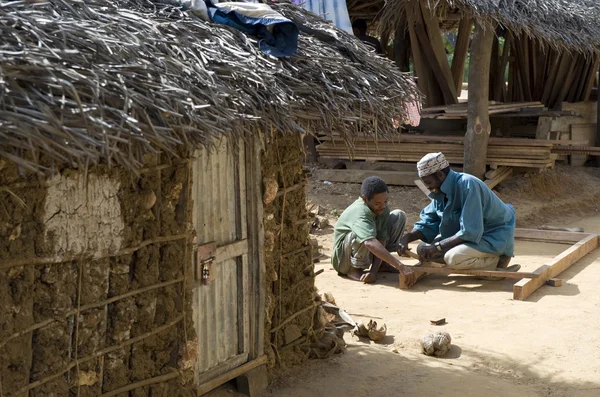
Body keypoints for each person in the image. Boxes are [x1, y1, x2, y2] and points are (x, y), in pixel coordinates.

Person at [398, 153, 520, 277]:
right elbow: (429, 222)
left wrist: (438, 246)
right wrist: (407, 238)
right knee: (422, 250)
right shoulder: (441, 191)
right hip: (470, 237)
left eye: (428, 182)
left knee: (454, 258)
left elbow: (470, 231)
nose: (428, 187)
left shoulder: (468, 185)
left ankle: (497, 261)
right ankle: (479, 259)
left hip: (492, 235)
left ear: (440, 175)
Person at [331, 176, 415, 284]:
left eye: (386, 201)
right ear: (365, 199)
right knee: (363, 234)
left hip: (367, 250)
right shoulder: (360, 213)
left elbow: (382, 239)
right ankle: (354, 270)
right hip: (344, 261)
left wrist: (374, 271)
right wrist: (400, 265)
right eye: (378, 203)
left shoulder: (383, 208)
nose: (383, 206)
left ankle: (382, 264)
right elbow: (370, 242)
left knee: (399, 215)